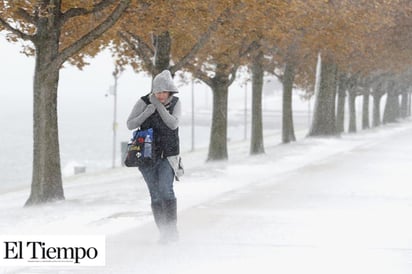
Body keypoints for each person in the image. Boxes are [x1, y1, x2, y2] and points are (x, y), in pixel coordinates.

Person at [127, 70, 182, 243]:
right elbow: (130, 124)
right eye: (157, 92)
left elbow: (173, 124)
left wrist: (157, 107)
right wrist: (147, 112)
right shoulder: (143, 102)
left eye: (164, 92)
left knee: (166, 190)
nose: (160, 96)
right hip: (146, 156)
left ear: (170, 92)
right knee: (155, 195)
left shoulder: (176, 103)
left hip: (168, 155)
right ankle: (164, 232)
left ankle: (172, 230)